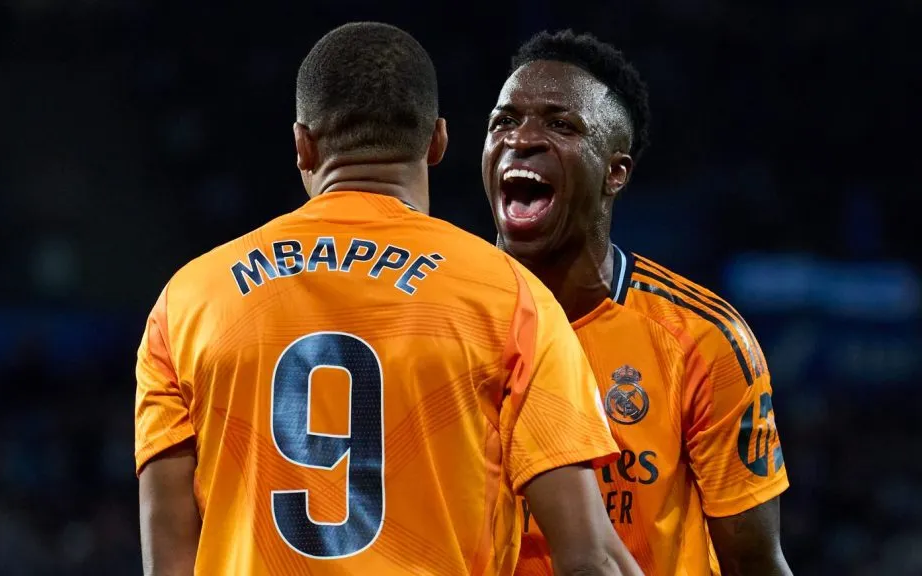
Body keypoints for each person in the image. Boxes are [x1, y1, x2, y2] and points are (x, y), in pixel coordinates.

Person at [136, 22, 640, 576]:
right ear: (438, 142)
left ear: (303, 146)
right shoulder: (512, 298)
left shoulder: (186, 303)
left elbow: (168, 565)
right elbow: (591, 560)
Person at [481, 30, 793, 576]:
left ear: (615, 173)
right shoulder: (443, 316)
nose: (521, 138)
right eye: (503, 121)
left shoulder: (703, 340)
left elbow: (755, 563)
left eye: (560, 124)